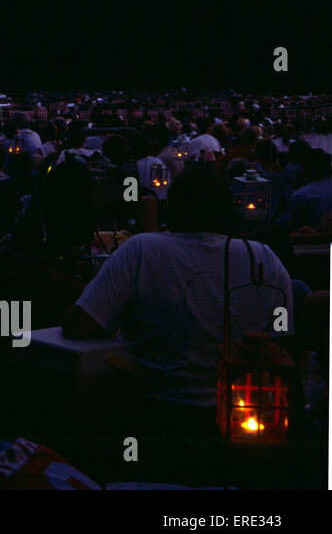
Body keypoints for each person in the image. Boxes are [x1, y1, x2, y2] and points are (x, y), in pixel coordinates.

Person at [63, 166, 294, 417]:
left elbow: (79, 324)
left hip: (156, 408)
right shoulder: (263, 257)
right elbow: (283, 341)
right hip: (244, 411)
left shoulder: (141, 249)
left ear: (172, 209)